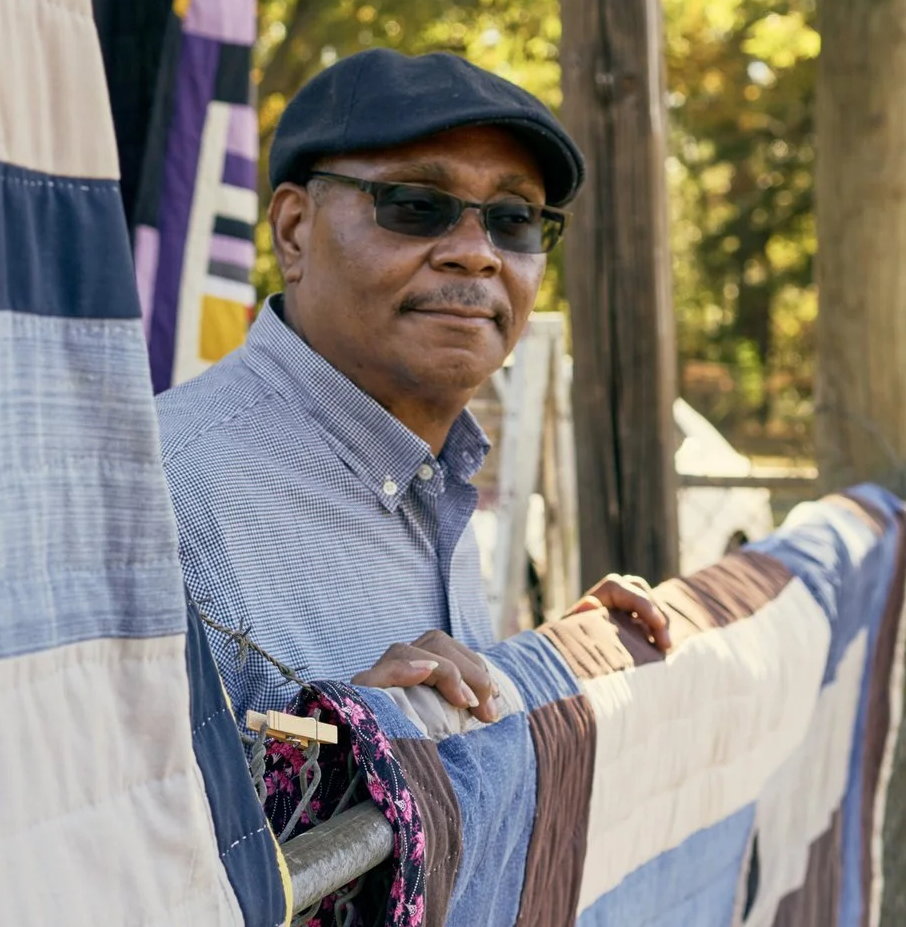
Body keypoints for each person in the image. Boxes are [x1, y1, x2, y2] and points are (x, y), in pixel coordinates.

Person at [158, 48, 672, 722]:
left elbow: (454, 737)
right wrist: (344, 749)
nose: (477, 251)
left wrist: (540, 669)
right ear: (292, 230)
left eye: (514, 217)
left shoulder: (432, 473)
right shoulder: (159, 500)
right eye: (416, 205)